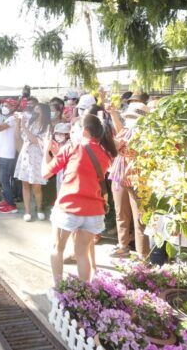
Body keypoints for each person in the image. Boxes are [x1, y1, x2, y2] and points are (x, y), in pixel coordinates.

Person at [43, 114, 118, 285]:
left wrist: (46, 152)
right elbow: (82, 167)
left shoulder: (72, 148)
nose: (71, 133)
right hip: (93, 211)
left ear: (84, 131)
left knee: (57, 248)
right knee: (82, 253)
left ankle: (59, 289)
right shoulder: (105, 153)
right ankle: (85, 290)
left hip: (69, 208)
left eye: (74, 129)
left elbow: (45, 173)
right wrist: (58, 154)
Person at [106, 101, 151, 258]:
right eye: (129, 117)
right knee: (121, 214)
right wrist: (113, 115)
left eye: (133, 117)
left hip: (137, 180)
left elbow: (116, 145)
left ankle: (143, 254)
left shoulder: (147, 134)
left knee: (139, 219)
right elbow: (119, 137)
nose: (129, 119)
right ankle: (123, 246)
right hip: (120, 176)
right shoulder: (127, 131)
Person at [14, 103, 51, 221]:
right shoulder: (30, 123)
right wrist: (18, 123)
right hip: (26, 156)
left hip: (37, 158)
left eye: (37, 109)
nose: (35, 111)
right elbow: (18, 137)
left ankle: (39, 209)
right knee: (25, 185)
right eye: (34, 109)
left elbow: (36, 141)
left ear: (44, 112)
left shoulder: (47, 127)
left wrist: (24, 127)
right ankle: (27, 211)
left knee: (36, 186)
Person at [0, 98, 19, 213]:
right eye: (3, 105)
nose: (4, 107)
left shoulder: (13, 118)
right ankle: (7, 200)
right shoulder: (8, 118)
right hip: (3, 153)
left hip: (8, 155)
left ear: (13, 107)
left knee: (5, 180)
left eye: (7, 106)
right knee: (3, 180)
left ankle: (11, 205)